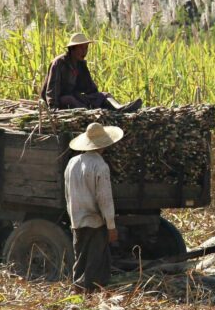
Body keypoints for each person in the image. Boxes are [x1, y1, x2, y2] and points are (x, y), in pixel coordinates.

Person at [64, 121, 124, 292]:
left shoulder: (72, 163)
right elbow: (104, 199)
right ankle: (86, 293)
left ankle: (78, 290)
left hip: (77, 219)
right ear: (103, 145)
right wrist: (111, 226)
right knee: (94, 263)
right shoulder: (100, 166)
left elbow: (67, 194)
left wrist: (72, 216)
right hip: (95, 221)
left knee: (80, 260)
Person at [40, 32, 141, 112]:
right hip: (60, 100)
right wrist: (53, 108)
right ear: (72, 49)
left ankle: (120, 108)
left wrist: (97, 98)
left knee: (104, 95)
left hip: (74, 97)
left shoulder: (80, 64)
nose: (84, 52)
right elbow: (52, 90)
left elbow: (90, 88)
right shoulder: (59, 63)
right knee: (69, 99)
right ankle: (88, 112)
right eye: (81, 48)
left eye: (86, 48)